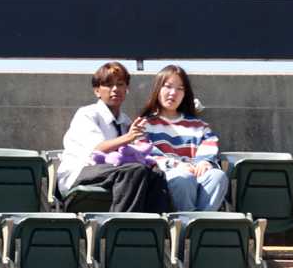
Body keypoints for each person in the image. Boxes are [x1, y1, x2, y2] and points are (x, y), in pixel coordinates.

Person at [59, 61, 171, 213]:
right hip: (80, 172)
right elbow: (97, 149)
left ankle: (153, 230)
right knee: (134, 171)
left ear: (127, 89)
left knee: (156, 174)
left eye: (120, 84)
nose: (115, 89)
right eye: (108, 85)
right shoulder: (87, 114)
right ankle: (122, 227)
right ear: (97, 90)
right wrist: (130, 137)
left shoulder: (125, 121)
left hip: (113, 173)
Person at [135, 63, 228, 211]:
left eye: (180, 89)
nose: (173, 93)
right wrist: (176, 165)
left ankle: (199, 226)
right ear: (157, 89)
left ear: (186, 94)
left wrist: (204, 163)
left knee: (217, 176)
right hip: (167, 177)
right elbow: (145, 155)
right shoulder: (144, 125)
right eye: (168, 86)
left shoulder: (199, 126)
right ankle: (185, 225)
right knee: (183, 178)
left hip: (196, 173)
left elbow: (209, 147)